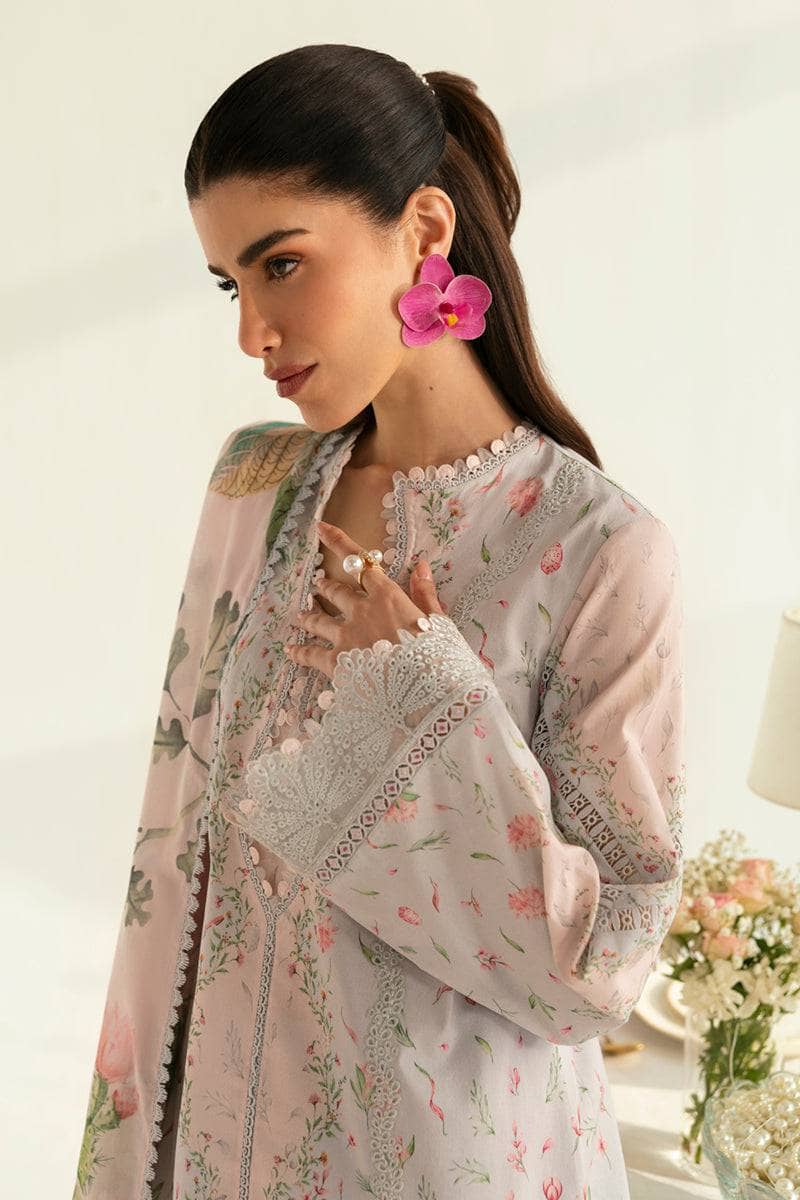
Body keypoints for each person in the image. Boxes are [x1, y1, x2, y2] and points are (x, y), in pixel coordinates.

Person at [72, 44, 687, 1200]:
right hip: (218, 1157)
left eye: (283, 264)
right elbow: (176, 866)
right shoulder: (251, 488)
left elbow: (599, 969)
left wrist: (423, 704)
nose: (252, 331)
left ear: (423, 231)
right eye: (231, 284)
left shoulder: (597, 549)